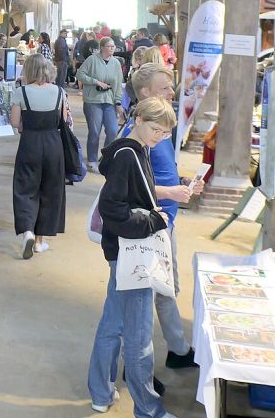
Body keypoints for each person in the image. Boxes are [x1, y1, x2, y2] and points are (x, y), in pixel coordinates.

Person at [88, 97, 177, 417]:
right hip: (132, 252)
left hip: (121, 251)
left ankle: (100, 392)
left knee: (112, 323)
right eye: (156, 129)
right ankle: (148, 410)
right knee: (139, 337)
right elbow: (112, 207)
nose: (159, 137)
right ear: (138, 120)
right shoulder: (129, 155)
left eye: (166, 133)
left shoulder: (129, 149)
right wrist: (154, 220)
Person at [125, 64, 201, 369]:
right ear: (145, 93)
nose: (173, 92)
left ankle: (177, 349)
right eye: (165, 87)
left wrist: (181, 183)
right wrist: (170, 193)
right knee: (143, 295)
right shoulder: (140, 133)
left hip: (164, 220)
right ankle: (138, 367)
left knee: (167, 288)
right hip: (149, 222)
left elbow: (161, 170)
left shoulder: (160, 128)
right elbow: (132, 183)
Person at [10, 54, 67, 259]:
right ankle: (40, 241)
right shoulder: (59, 92)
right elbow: (64, 120)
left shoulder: (20, 92)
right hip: (53, 145)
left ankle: (27, 231)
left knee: (25, 188)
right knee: (50, 190)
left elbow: (16, 123)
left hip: (29, 144)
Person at [77, 37, 124, 173]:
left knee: (112, 130)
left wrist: (118, 102)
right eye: (109, 46)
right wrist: (95, 82)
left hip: (109, 100)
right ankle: (92, 159)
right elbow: (80, 75)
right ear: (102, 47)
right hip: (93, 100)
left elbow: (118, 84)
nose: (112, 49)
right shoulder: (92, 60)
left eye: (113, 46)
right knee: (95, 131)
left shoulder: (116, 64)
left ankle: (106, 157)